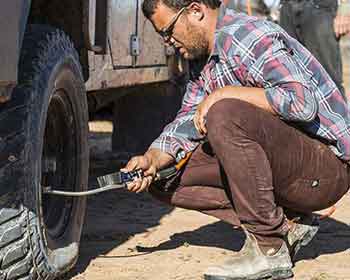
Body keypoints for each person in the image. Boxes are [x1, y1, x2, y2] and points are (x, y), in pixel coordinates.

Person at [122, 0, 350, 279]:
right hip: (288, 166)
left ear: (195, 10)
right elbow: (187, 120)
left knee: (223, 112)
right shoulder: (201, 58)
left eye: (169, 31)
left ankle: (267, 247)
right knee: (163, 177)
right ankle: (286, 224)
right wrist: (152, 158)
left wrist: (223, 94)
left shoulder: (251, 36)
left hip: (326, 168)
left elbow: (302, 103)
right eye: (163, 36)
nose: (169, 42)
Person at [279, 0, 350, 97]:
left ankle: (337, 111)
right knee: (292, 78)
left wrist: (345, 7)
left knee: (326, 80)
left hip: (318, 7)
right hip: (287, 7)